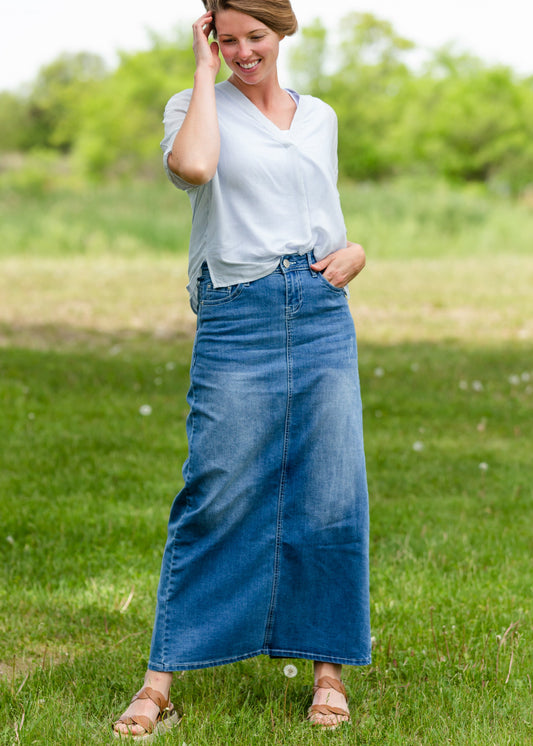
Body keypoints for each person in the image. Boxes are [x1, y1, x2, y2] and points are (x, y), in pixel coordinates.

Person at [113, 0, 370, 737]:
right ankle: (161, 678)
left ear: (281, 31)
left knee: (329, 491)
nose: (241, 52)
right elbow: (194, 168)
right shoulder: (194, 106)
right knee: (216, 490)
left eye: (253, 36)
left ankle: (327, 670)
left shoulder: (317, 114)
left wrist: (354, 253)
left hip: (320, 308)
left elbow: (320, 207)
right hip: (237, 310)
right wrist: (201, 72)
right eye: (225, 40)